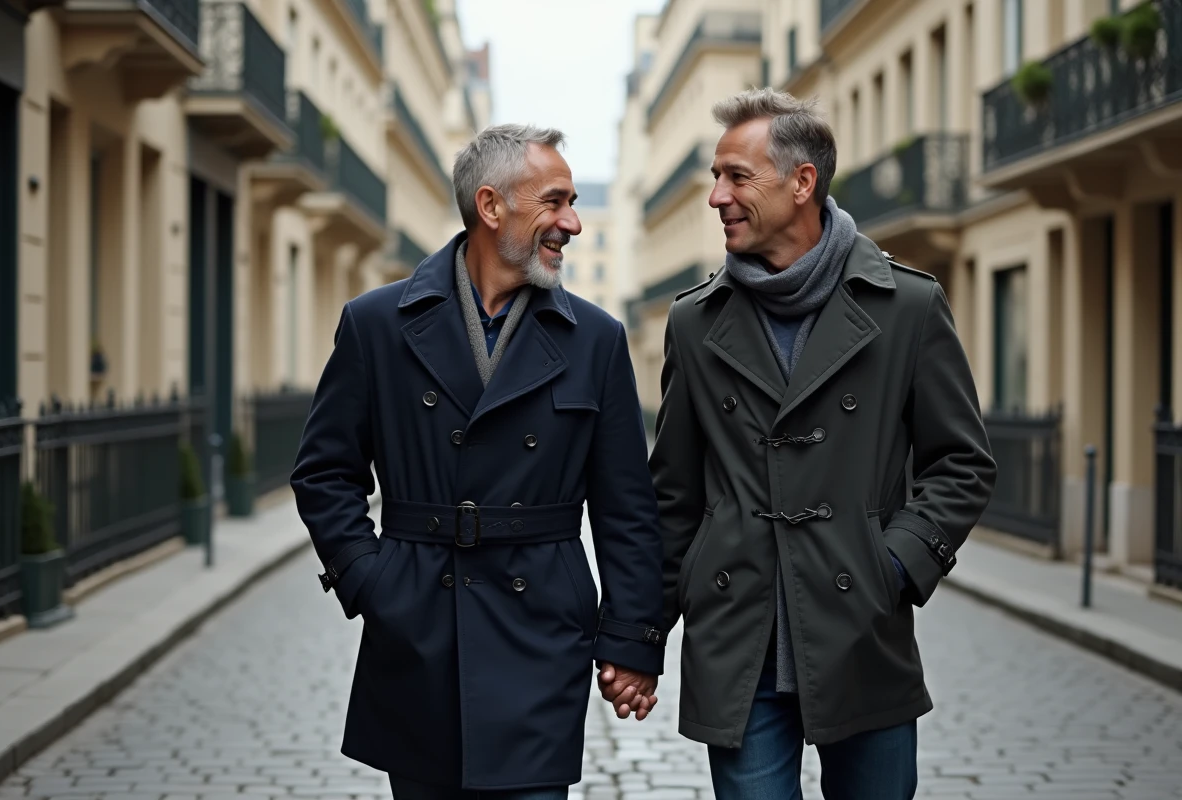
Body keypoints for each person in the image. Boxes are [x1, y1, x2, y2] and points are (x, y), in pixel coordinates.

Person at [291, 124, 665, 800]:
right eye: (554, 202)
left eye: (574, 202)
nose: (573, 223)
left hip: (542, 631)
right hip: (419, 627)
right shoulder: (377, 324)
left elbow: (627, 510)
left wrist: (632, 642)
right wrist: (372, 581)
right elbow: (323, 472)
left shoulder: (597, 341)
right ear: (492, 207)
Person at [646, 88, 997, 799]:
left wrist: (890, 567)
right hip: (738, 635)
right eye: (716, 177)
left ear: (801, 182)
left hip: (861, 630)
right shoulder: (693, 323)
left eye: (736, 177)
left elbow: (961, 462)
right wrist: (637, 636)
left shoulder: (907, 305)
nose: (716, 196)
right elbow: (673, 497)